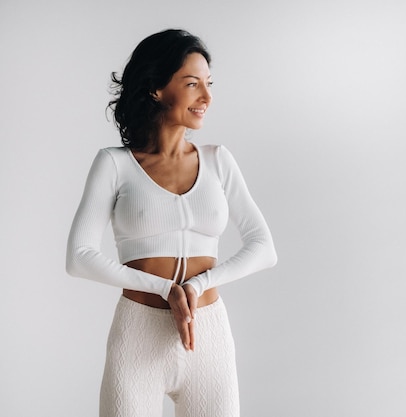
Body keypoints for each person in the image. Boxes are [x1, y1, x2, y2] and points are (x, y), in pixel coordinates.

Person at [66, 29, 277, 417]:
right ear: (156, 89)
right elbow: (79, 257)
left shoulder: (218, 160)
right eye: (192, 84)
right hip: (138, 334)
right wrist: (165, 289)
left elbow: (264, 247)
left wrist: (197, 285)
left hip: (209, 335)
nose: (207, 97)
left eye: (209, 84)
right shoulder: (114, 164)